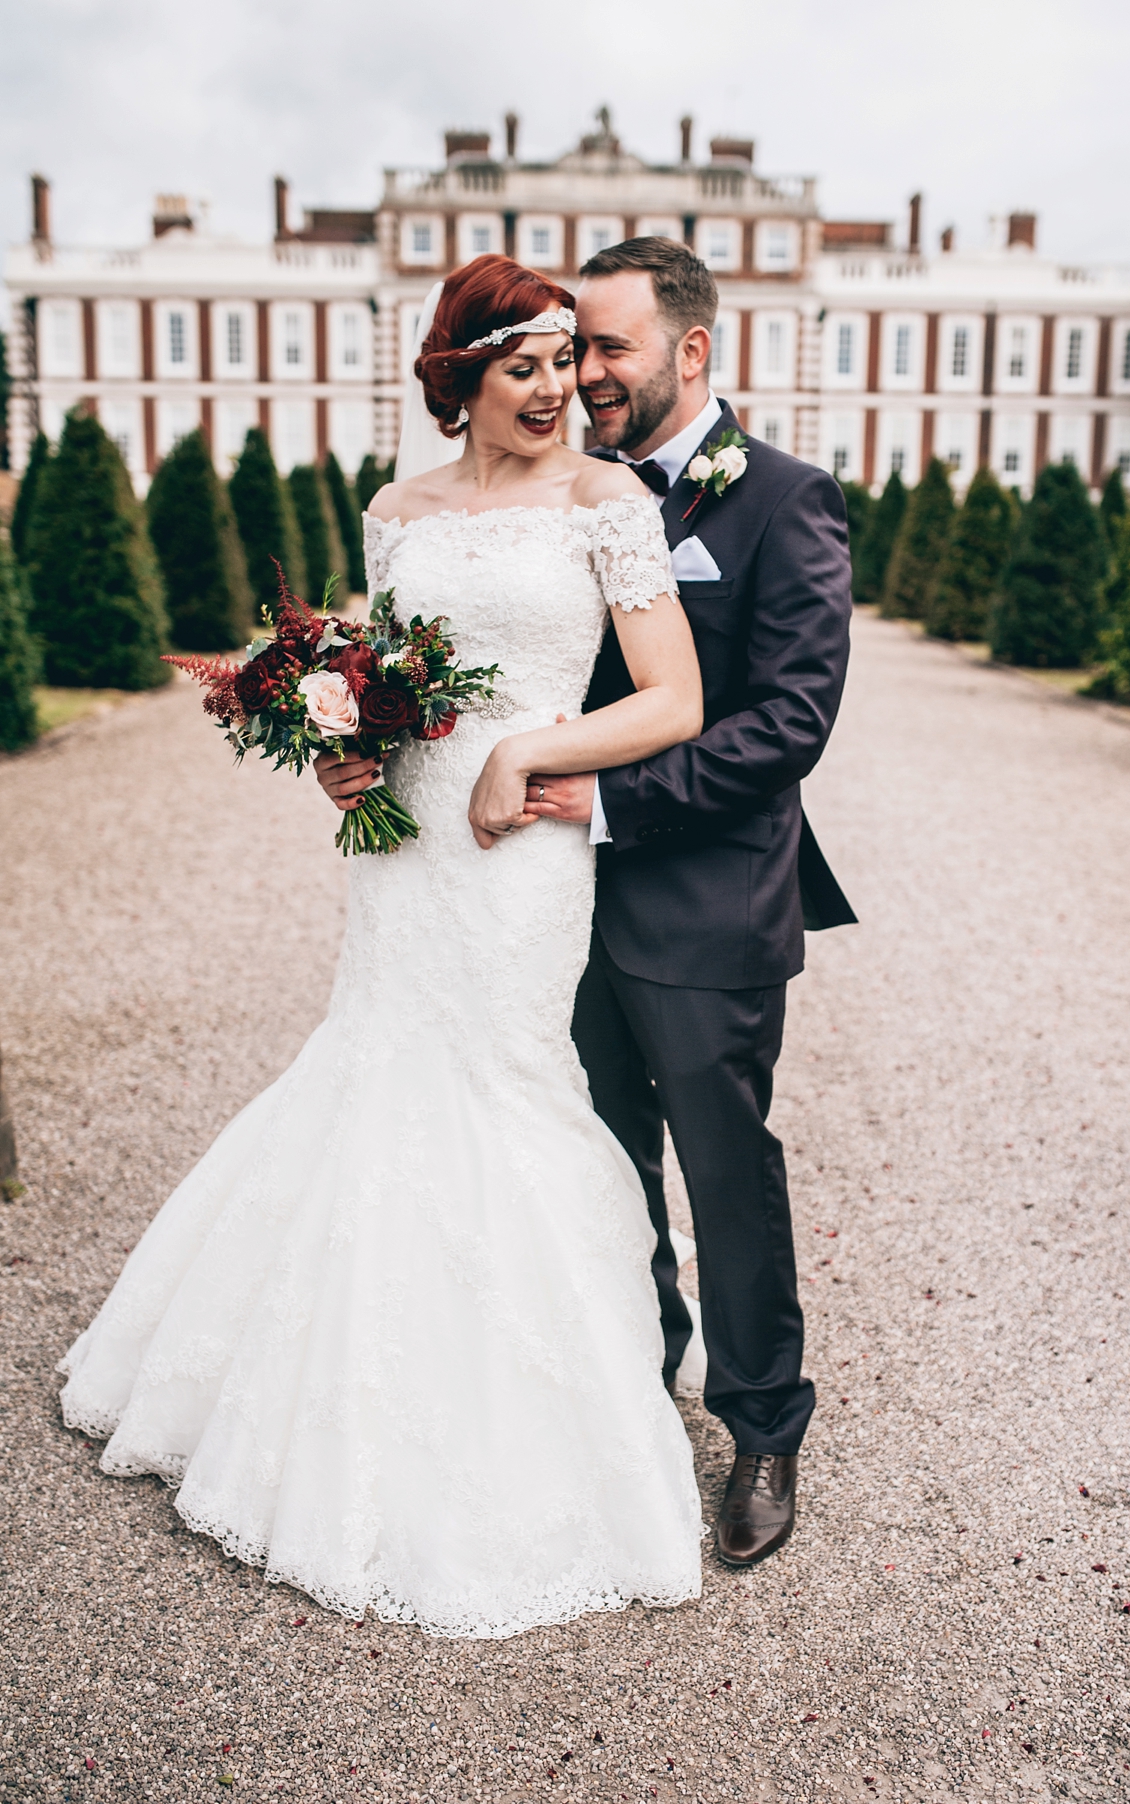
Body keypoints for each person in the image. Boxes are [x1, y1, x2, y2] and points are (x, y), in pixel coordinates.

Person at [58, 255, 705, 1640]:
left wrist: (532, 747)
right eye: (521, 364)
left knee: (509, 1085)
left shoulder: (609, 500)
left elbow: (673, 701)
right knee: (376, 1071)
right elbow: (390, 680)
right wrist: (340, 758)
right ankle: (325, 1404)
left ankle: (535, 1426)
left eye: (563, 364)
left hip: (521, 846)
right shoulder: (395, 512)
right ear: (456, 375)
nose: (554, 390)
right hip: (402, 848)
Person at [522, 238, 855, 1568]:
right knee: (603, 1165)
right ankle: (640, 1381)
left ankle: (764, 1425)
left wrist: (612, 804)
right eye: (576, 349)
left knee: (725, 1173)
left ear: (692, 351)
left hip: (708, 905)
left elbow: (788, 722)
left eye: (608, 349)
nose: (584, 375)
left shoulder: (783, 500)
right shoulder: (560, 492)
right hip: (548, 904)